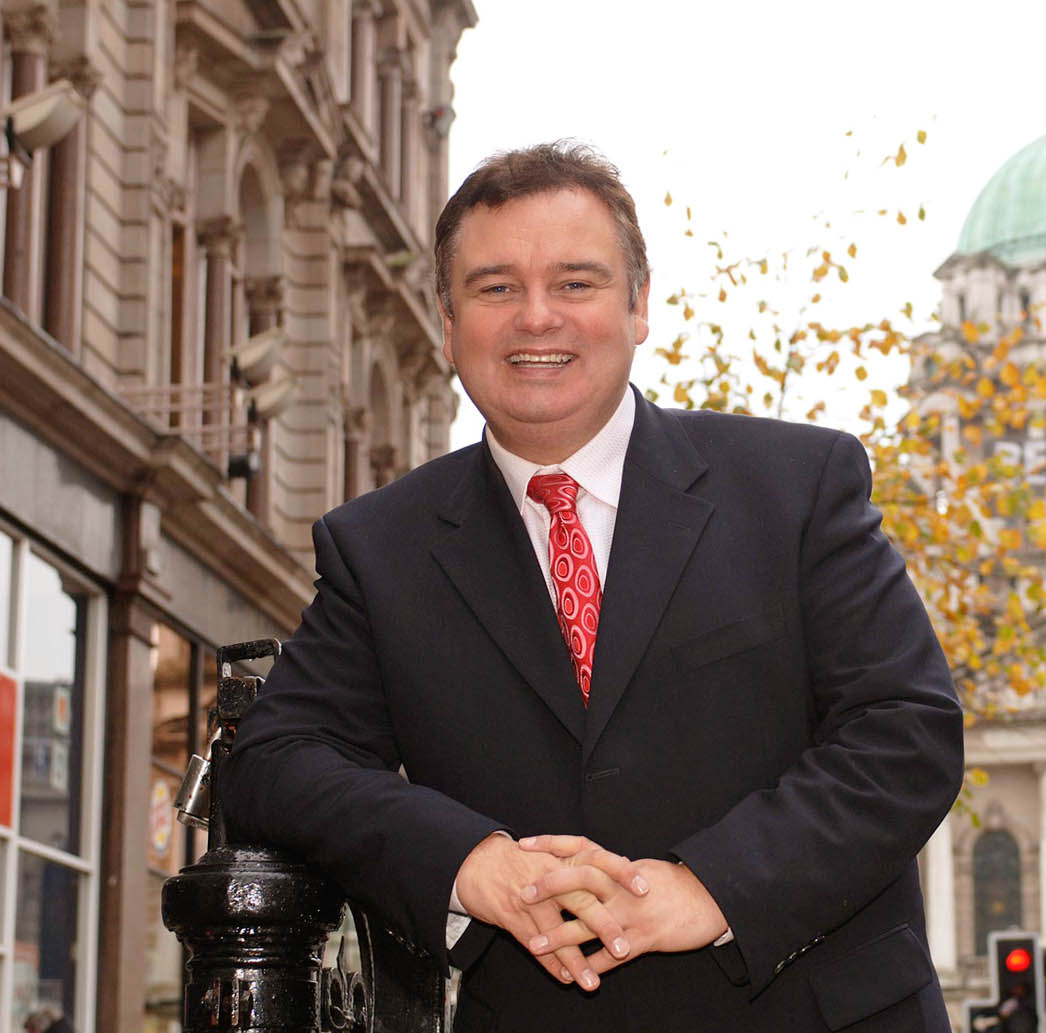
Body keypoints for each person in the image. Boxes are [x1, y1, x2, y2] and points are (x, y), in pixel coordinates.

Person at [222, 141, 965, 1032]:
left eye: (576, 283)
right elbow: (275, 759)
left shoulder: (800, 485)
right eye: (496, 288)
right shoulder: (378, 547)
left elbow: (906, 731)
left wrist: (708, 887)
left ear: (639, 305)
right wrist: (469, 862)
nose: (538, 318)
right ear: (447, 323)